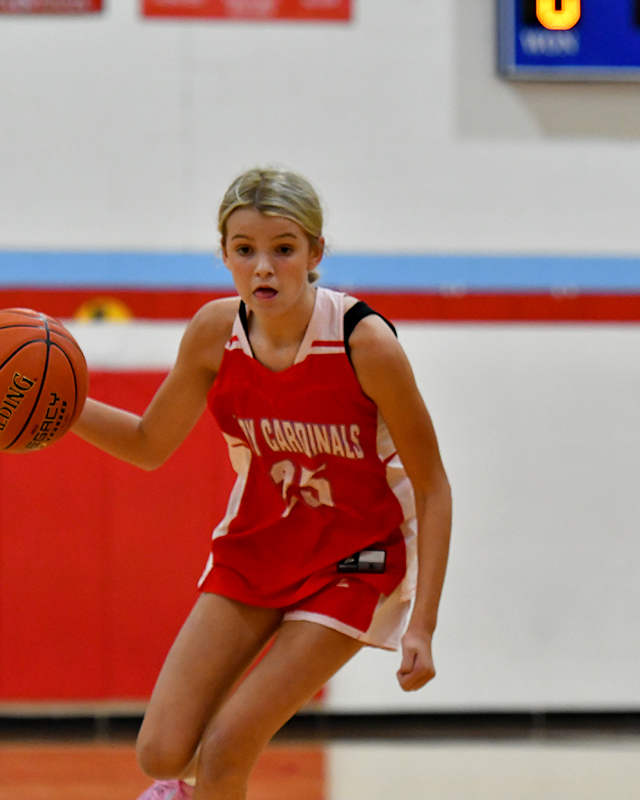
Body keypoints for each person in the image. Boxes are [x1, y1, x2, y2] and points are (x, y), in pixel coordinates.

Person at [71, 167, 452, 800]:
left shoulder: (364, 343)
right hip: (260, 546)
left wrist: (423, 626)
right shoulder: (213, 335)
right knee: (162, 751)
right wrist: (63, 409)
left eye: (283, 248)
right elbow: (147, 444)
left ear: (315, 254)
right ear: (224, 254)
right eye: (245, 250)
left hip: (355, 562)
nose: (264, 268)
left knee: (224, 750)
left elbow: (432, 487)